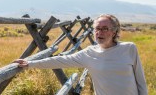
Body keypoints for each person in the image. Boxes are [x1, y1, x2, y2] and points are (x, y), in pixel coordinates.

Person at [14, 14, 148, 95]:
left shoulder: (129, 48)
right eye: (97, 29)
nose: (99, 33)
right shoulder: (89, 53)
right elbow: (60, 61)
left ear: (114, 32)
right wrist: (30, 63)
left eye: (104, 29)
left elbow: (140, 81)